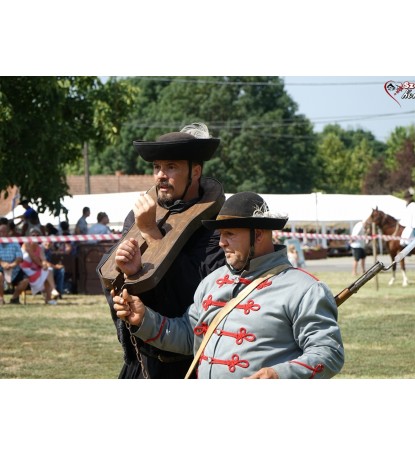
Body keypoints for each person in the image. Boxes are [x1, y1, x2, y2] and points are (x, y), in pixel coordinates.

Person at [112, 192, 344, 379]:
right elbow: (190, 337)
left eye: (230, 234)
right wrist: (144, 319)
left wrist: (279, 374)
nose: (221, 242)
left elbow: (328, 353)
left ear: (259, 235)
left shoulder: (305, 289)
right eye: (221, 234)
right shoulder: (212, 281)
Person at [99, 122, 226, 379]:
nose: (160, 175)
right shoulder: (138, 216)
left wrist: (151, 234)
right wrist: (126, 269)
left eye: (171, 167)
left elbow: (202, 291)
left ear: (196, 171)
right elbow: (109, 270)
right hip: (142, 360)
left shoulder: (216, 227)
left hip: (190, 364)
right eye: (157, 167)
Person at [20, 227, 59, 304]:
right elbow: (33, 257)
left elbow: (43, 259)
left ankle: (50, 295)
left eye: (37, 235)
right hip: (24, 270)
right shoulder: (26, 244)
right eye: (33, 235)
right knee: (47, 271)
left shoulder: (39, 248)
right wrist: (42, 265)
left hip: (35, 269)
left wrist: (44, 264)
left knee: (49, 270)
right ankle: (52, 291)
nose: (35, 237)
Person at [0, 222, 29, 304]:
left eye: (4, 231)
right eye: (0, 232)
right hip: (1, 268)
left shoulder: (15, 243)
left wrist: (12, 265)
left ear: (8, 232)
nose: (1, 234)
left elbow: (20, 257)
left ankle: (14, 298)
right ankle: (1, 298)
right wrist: (2, 263)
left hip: (15, 269)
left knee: (26, 280)